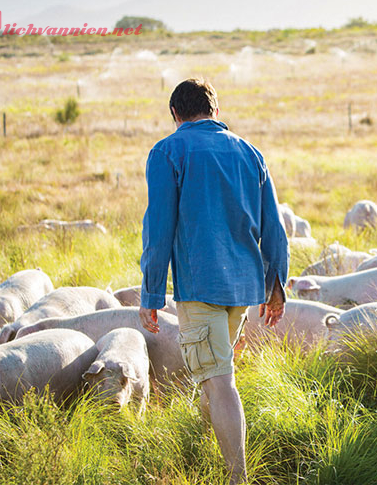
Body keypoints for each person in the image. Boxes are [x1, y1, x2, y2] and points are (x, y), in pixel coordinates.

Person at [138, 77, 289, 484]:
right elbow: (274, 225)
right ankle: (203, 449)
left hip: (200, 285)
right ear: (215, 111)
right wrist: (276, 286)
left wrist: (151, 292)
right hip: (241, 289)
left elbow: (159, 227)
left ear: (175, 114)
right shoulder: (250, 152)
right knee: (214, 374)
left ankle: (237, 477)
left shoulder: (168, 151)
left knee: (220, 381)